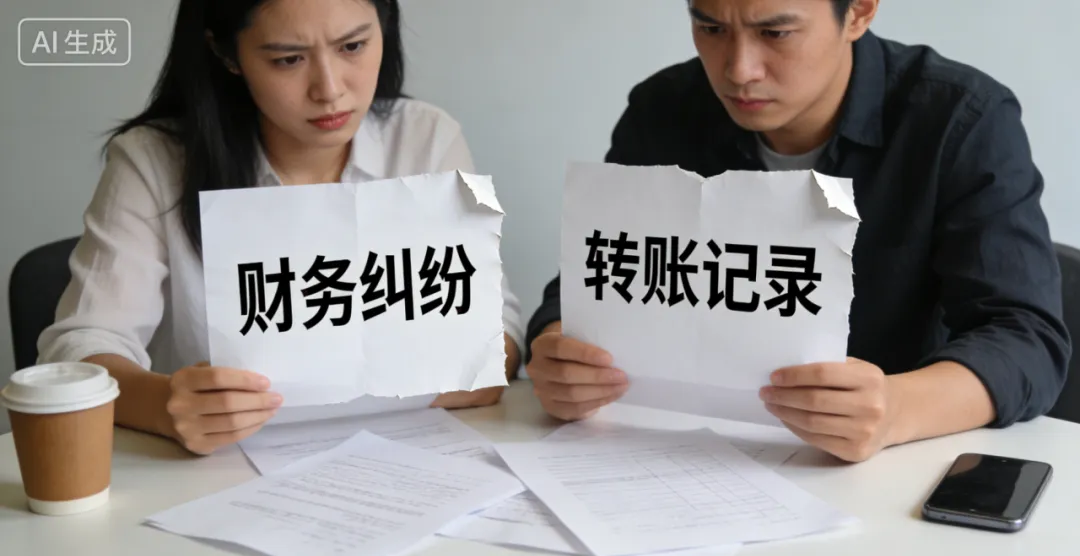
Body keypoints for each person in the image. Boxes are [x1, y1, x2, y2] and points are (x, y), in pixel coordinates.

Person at [525, 0, 1071, 463]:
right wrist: (557, 351)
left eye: (776, 33)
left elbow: (1026, 337)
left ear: (859, 12)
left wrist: (895, 408)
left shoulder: (958, 119)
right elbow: (584, 287)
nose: (739, 70)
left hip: (882, 468)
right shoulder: (663, 110)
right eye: (710, 27)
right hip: (676, 451)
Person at [36, 0, 524, 455]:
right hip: (213, 471)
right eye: (288, 59)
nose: (329, 89)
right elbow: (79, 349)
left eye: (353, 46)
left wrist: (488, 361)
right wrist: (164, 404)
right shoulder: (155, 161)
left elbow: (494, 326)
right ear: (227, 54)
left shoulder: (424, 139)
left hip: (407, 456)